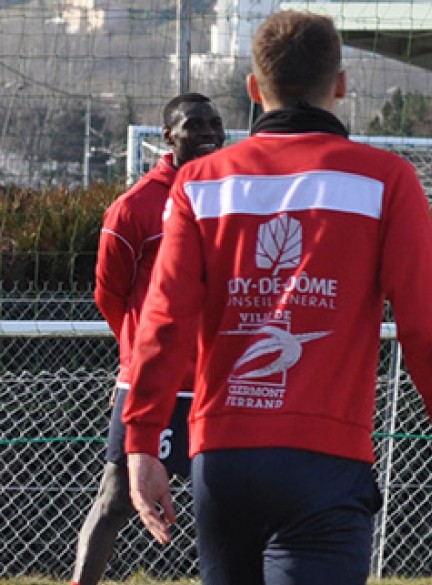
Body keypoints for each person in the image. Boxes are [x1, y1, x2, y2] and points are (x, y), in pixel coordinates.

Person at [121, 11, 432, 585]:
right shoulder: (385, 181)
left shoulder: (201, 183)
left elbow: (162, 323)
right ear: (340, 83)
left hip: (222, 458)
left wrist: (141, 440)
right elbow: (430, 330)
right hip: (326, 459)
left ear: (252, 89)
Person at [71, 92, 225, 585]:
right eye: (194, 125)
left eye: (215, 125)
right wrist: (146, 351)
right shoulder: (134, 207)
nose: (207, 134)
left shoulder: (233, 196)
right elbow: (109, 295)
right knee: (117, 498)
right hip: (151, 384)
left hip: (217, 384)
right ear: (167, 136)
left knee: (230, 503)